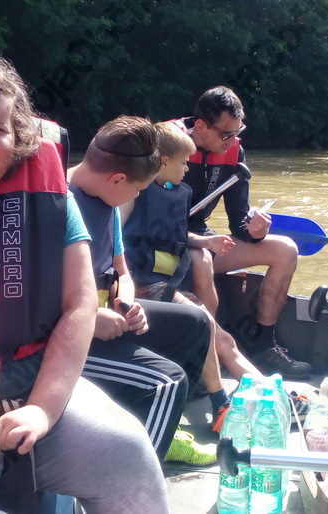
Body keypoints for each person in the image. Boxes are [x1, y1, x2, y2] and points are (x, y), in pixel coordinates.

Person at [0, 55, 168, 512]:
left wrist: (42, 409)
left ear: (19, 137)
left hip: (31, 379)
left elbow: (80, 304)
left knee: (130, 455)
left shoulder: (54, 201)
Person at [67, 115, 214, 464]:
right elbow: (37, 296)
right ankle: (136, 475)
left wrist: (127, 302)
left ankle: (155, 424)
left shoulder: (108, 202)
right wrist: (92, 317)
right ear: (118, 179)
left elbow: (122, 271)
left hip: (106, 317)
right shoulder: (56, 203)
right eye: (137, 190)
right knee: (170, 381)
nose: (137, 196)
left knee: (197, 324)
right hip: (69, 335)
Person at [120, 121, 262, 430]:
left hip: (166, 283)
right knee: (205, 323)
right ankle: (222, 402)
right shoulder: (132, 193)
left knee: (222, 337)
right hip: (141, 285)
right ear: (163, 162)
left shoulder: (176, 193)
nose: (187, 169)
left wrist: (205, 242)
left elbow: (171, 233)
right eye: (184, 162)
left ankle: (270, 394)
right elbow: (114, 240)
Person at [166, 86, 311, 378]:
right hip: (164, 240)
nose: (232, 141)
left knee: (285, 250)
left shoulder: (233, 152)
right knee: (201, 261)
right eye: (226, 134)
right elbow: (151, 221)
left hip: (202, 237)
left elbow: (239, 223)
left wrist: (256, 231)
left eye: (238, 131)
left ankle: (264, 346)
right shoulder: (168, 144)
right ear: (201, 126)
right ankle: (203, 359)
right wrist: (203, 242)